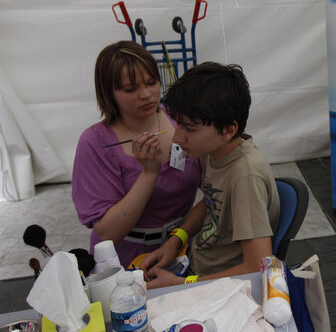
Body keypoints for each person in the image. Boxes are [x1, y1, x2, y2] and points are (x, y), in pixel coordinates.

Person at [139, 62, 280, 288]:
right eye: (178, 125)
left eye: (190, 129)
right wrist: (176, 241)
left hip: (221, 286)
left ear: (228, 130)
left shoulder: (245, 176)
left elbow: (257, 266)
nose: (176, 138)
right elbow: (211, 200)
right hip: (196, 266)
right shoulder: (214, 151)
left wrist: (183, 283)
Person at [72, 41, 202, 268]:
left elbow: (214, 189)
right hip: (126, 262)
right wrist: (149, 174)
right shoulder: (95, 143)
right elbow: (109, 233)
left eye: (152, 82)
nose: (146, 94)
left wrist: (178, 238)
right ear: (108, 93)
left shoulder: (180, 119)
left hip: (182, 248)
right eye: (130, 89)